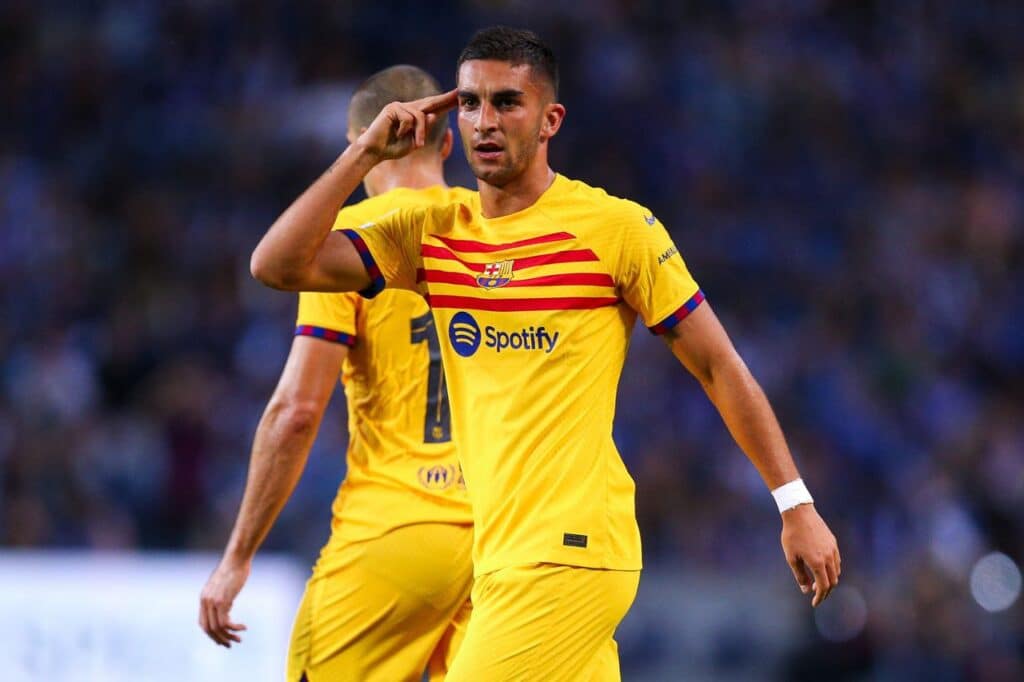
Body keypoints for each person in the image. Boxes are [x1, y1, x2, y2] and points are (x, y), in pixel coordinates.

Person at [250, 27, 841, 681]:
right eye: (469, 103)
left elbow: (718, 366)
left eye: (507, 102)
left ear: (550, 119)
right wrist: (363, 153)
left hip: (567, 552)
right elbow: (277, 266)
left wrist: (795, 503)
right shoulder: (432, 233)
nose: (485, 121)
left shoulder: (616, 229)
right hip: (497, 557)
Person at [199, 65, 475, 682]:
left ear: (359, 141)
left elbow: (297, 411)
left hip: (396, 527)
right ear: (447, 145)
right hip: (498, 536)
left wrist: (237, 556)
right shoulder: (491, 231)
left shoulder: (350, 240)